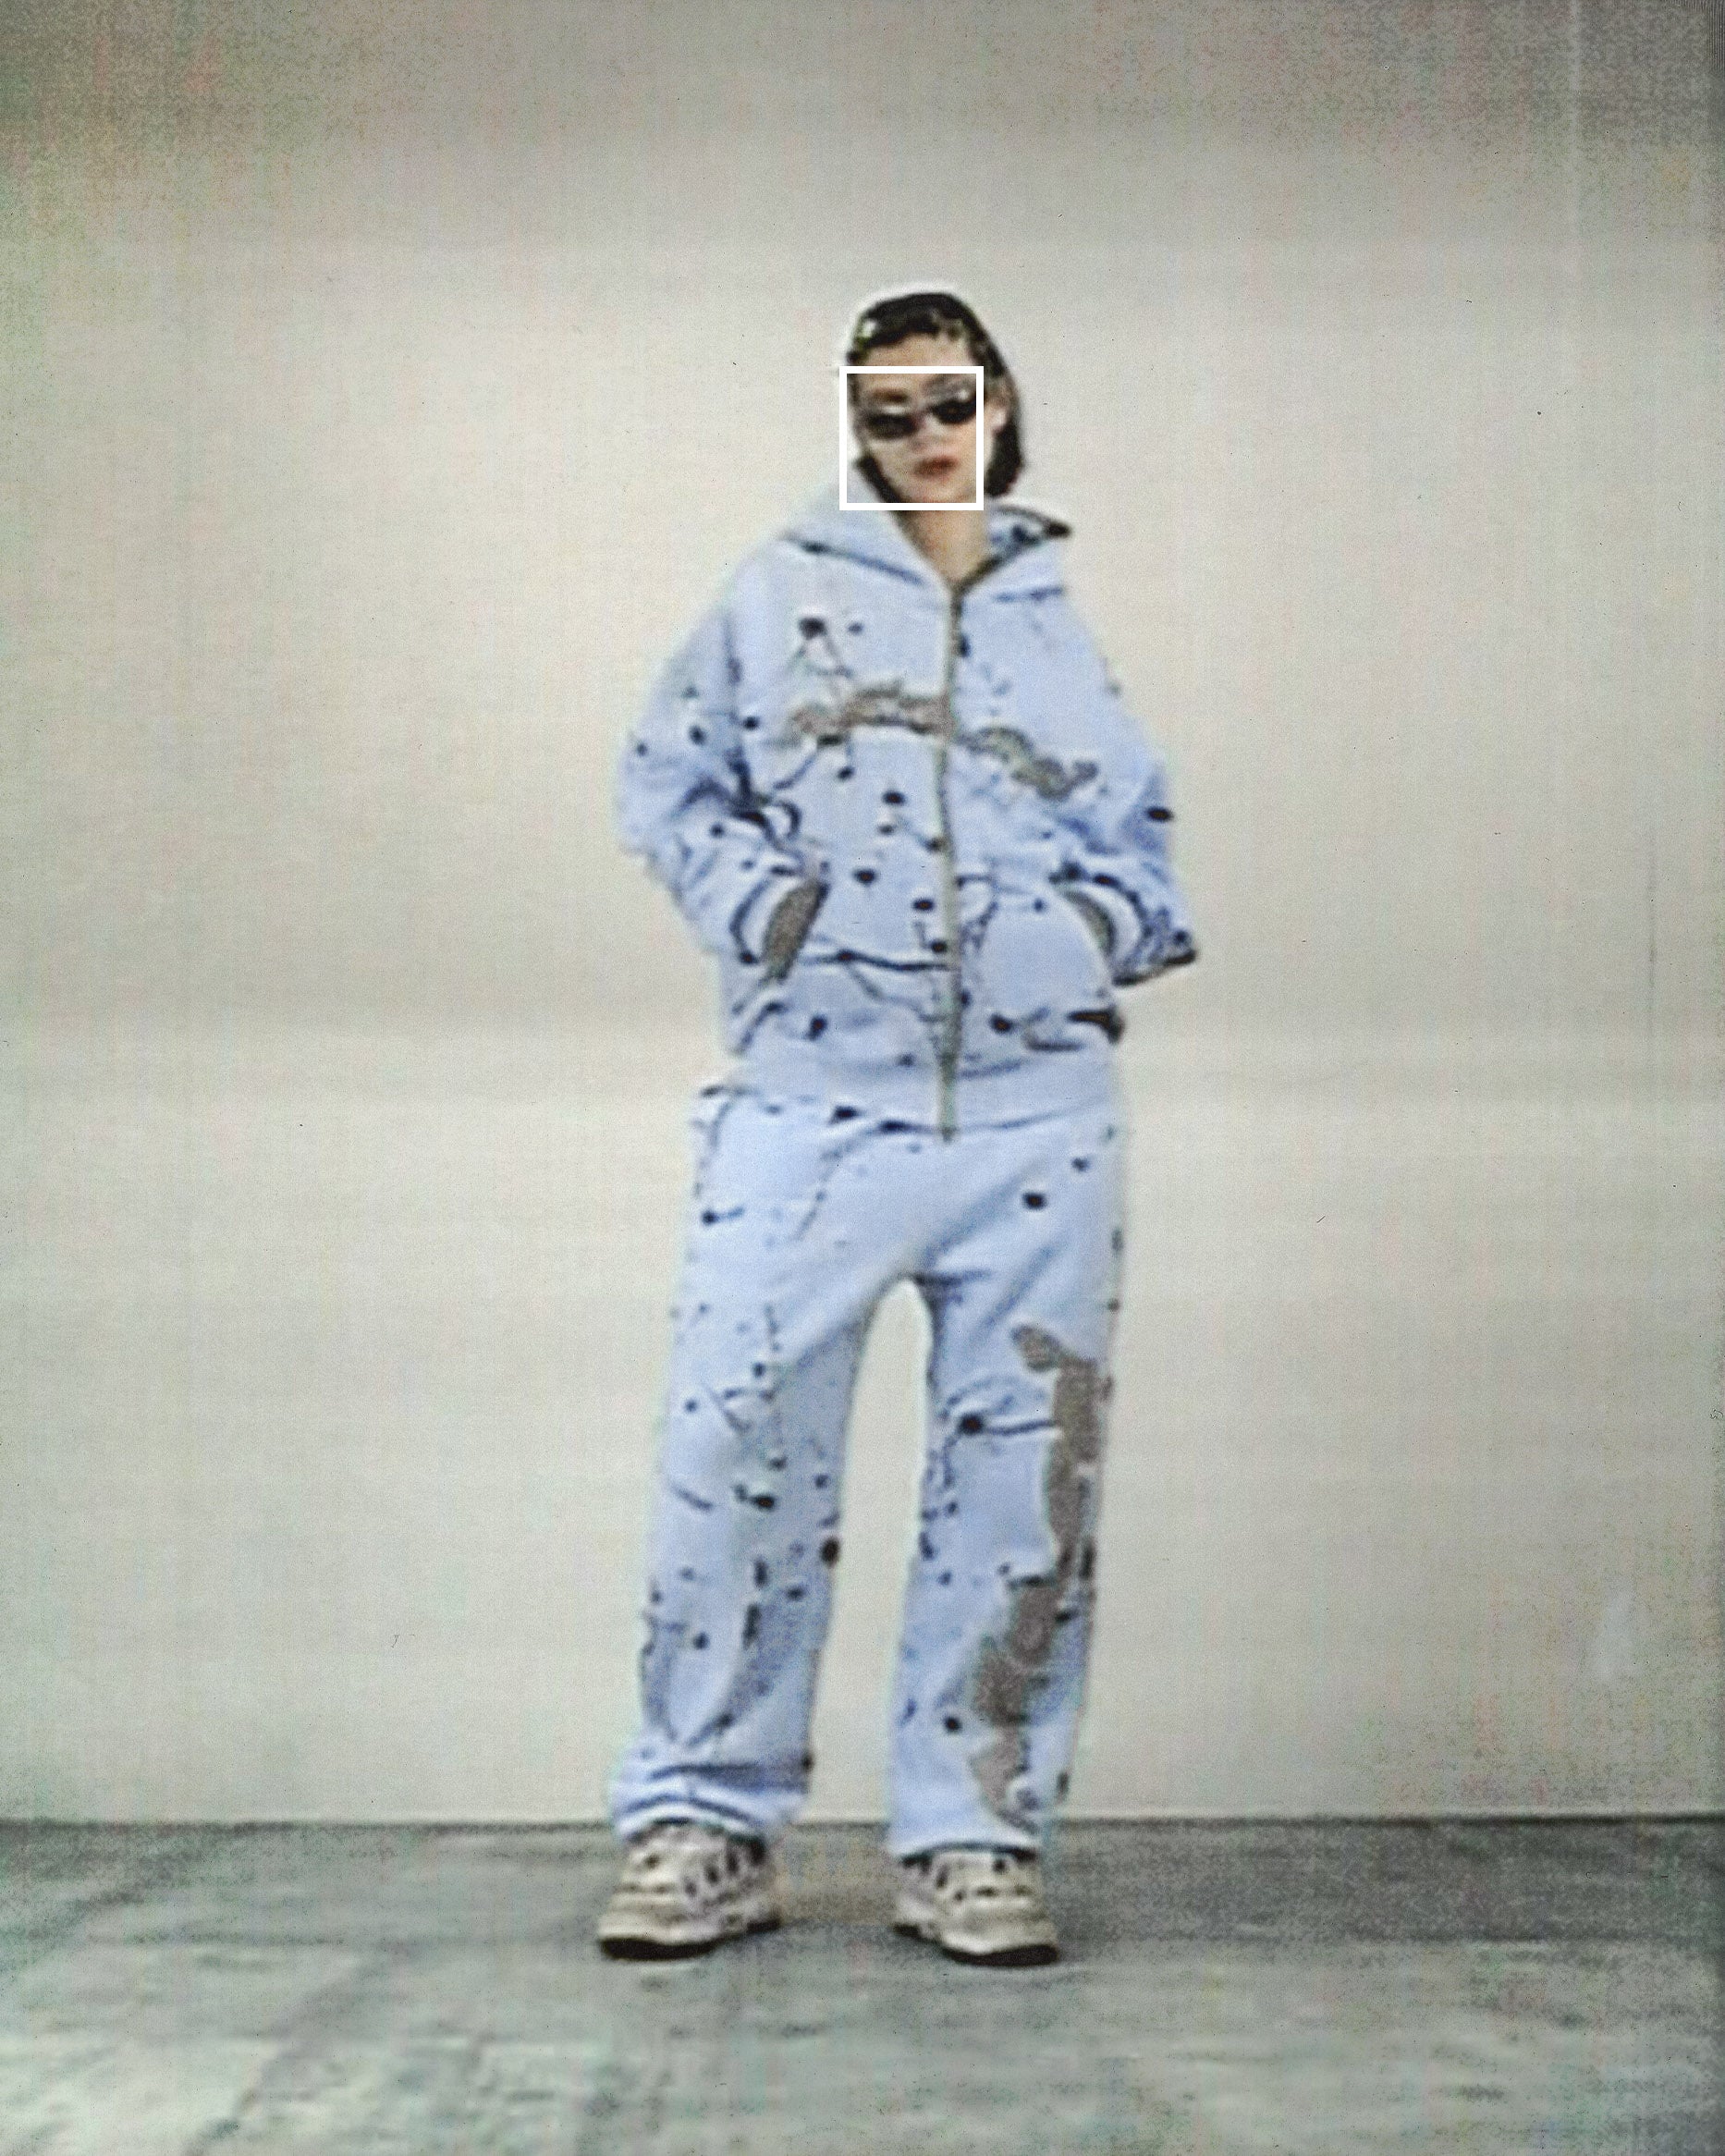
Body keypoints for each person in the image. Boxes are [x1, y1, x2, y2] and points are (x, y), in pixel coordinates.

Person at [597, 288, 1197, 1966]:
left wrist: (1086, 939)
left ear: (999, 402)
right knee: (733, 1451)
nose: (927, 435)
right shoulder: (775, 593)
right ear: (852, 429)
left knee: (1025, 1484)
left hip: (1038, 1121)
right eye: (890, 411)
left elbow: (1140, 840)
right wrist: (771, 915)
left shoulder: (1053, 616)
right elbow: (664, 782)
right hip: (812, 1103)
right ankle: (702, 1822)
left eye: (951, 401)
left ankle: (972, 1835)